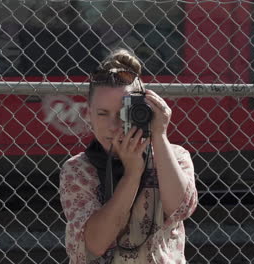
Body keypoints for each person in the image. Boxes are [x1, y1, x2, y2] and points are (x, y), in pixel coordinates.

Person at [59, 48, 198, 263]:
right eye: (103, 114)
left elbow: (181, 209)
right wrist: (132, 174)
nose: (113, 126)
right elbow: (97, 243)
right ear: (89, 113)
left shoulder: (173, 156)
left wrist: (159, 135)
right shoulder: (78, 169)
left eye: (123, 114)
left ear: (141, 112)